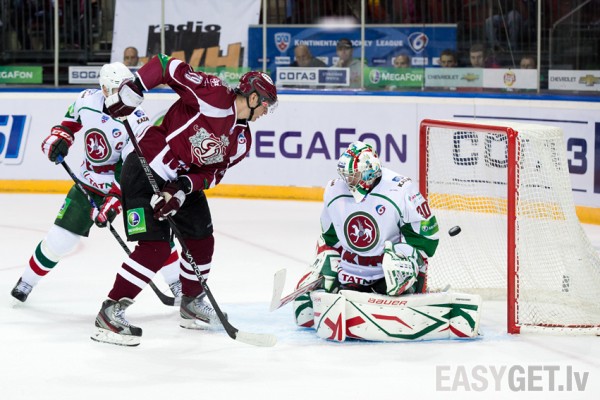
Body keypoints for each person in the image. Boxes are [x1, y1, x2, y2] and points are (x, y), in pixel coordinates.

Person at [90, 54, 278, 346]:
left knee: (202, 238)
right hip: (145, 168)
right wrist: (136, 87)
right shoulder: (215, 95)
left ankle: (191, 304)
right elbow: (167, 65)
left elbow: (213, 173)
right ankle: (110, 312)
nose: (266, 111)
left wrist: (180, 189)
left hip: (179, 182)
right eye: (266, 104)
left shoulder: (242, 140)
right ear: (253, 98)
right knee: (155, 249)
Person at [10, 62, 182, 305]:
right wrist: (59, 138)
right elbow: (69, 122)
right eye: (117, 90)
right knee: (60, 239)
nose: (124, 96)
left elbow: (131, 167)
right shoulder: (86, 99)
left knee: (155, 235)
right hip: (88, 181)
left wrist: (114, 200)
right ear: (104, 89)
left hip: (131, 185)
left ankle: (178, 283)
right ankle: (26, 281)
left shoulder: (137, 119)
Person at [292, 141, 440, 326]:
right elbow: (330, 237)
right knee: (321, 268)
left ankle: (408, 294)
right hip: (351, 273)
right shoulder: (334, 190)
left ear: (369, 173)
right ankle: (340, 287)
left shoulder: (400, 189)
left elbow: (427, 240)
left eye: (353, 176)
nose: (347, 181)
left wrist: (404, 259)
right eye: (345, 175)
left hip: (386, 273)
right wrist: (326, 265)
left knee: (398, 264)